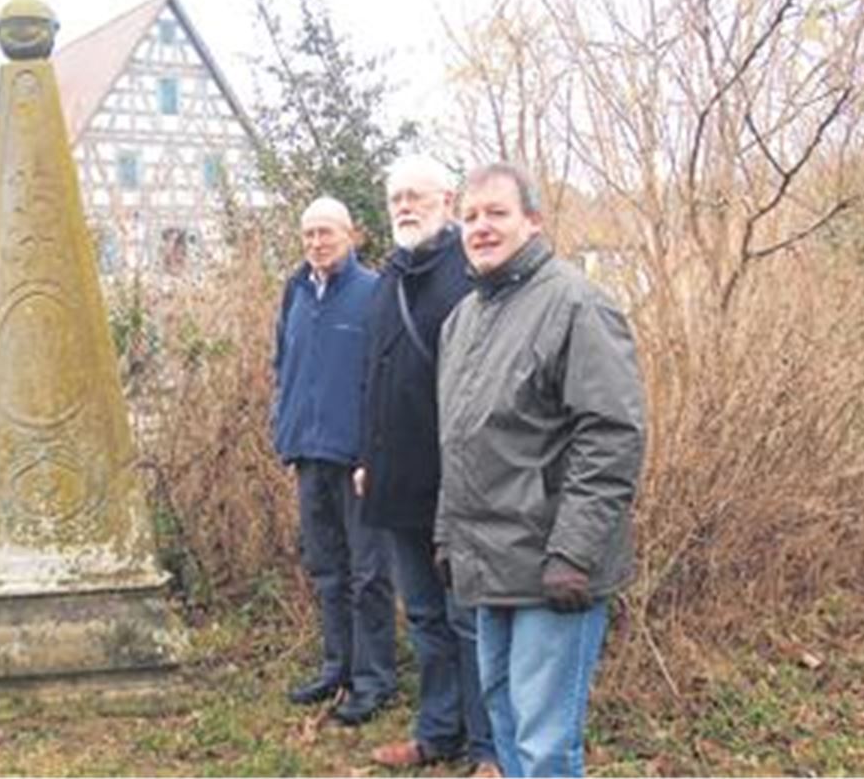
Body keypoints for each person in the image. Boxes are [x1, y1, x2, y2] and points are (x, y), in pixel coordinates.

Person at [436, 162, 646, 778]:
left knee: (545, 743)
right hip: (487, 562)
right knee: (504, 725)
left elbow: (611, 434)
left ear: (532, 220)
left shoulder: (577, 305)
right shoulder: (462, 321)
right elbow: (458, 441)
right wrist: (447, 533)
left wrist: (575, 552)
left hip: (553, 566)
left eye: (497, 213)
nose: (481, 227)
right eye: (470, 217)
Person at [355, 155, 498, 776]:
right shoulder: (390, 277)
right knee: (424, 618)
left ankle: (489, 747)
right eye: (395, 199)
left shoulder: (466, 276)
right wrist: (366, 457)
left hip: (455, 487)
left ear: (447, 199)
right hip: (395, 483)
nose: (405, 207)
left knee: (470, 621)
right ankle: (438, 733)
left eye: (416, 196)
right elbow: (375, 376)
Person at [272, 196, 397, 726]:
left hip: (356, 458)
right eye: (308, 234)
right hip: (308, 452)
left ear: (351, 236)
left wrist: (374, 452)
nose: (316, 243)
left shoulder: (372, 293)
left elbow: (384, 380)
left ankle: (374, 680)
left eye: (326, 232)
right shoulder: (296, 291)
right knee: (327, 569)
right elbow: (284, 361)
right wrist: (285, 428)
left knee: (369, 573)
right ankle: (336, 668)